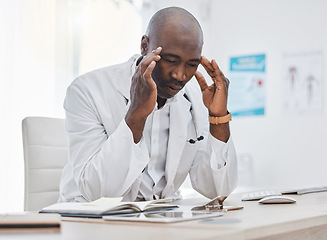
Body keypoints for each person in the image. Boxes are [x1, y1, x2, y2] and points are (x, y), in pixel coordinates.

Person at [59, 6, 237, 203]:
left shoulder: (195, 98)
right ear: (145, 46)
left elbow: (217, 189)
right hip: (90, 219)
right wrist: (136, 114)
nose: (180, 75)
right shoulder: (87, 90)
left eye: (191, 64)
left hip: (159, 216)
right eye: (170, 60)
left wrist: (219, 119)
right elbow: (97, 190)